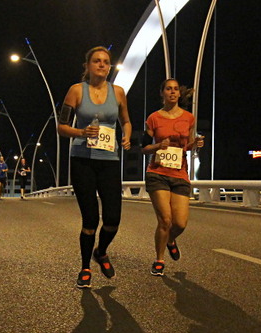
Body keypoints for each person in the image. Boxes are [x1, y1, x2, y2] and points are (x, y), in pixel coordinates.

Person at [57, 45, 132, 289]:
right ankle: (85, 268)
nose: (102, 65)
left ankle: (101, 251)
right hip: (82, 160)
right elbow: (61, 126)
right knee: (90, 220)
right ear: (88, 66)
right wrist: (81, 132)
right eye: (97, 61)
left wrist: (127, 136)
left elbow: (126, 121)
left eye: (106, 62)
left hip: (109, 161)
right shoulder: (76, 90)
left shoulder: (118, 92)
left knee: (112, 219)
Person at [141, 79, 204, 277]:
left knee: (180, 224)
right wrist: (158, 146)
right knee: (165, 220)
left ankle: (170, 240)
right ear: (162, 93)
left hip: (180, 174)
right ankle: (159, 260)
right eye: (168, 89)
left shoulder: (189, 118)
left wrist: (195, 144)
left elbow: (187, 146)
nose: (173, 92)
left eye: (176, 89)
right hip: (157, 173)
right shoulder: (153, 118)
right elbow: (144, 148)